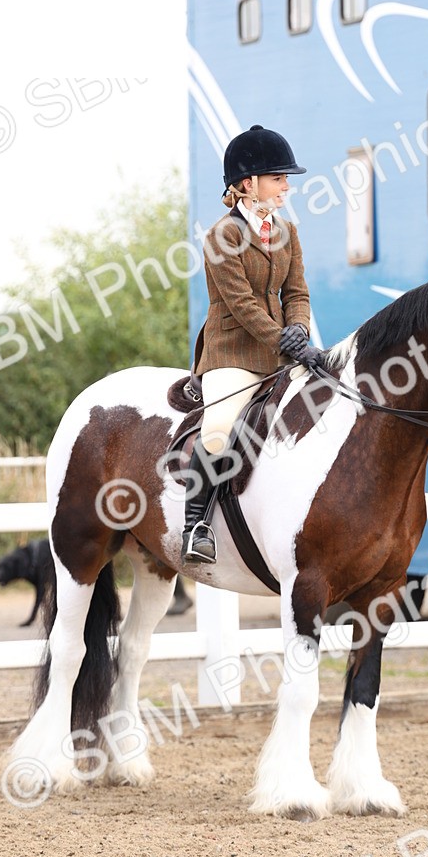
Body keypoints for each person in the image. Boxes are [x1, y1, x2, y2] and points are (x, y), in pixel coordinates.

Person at [182, 124, 323, 565]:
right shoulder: (221, 236)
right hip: (233, 351)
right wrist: (284, 337)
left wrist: (298, 328)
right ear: (248, 185)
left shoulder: (288, 232)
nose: (286, 186)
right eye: (279, 178)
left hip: (282, 348)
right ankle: (196, 526)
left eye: (285, 179)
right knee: (220, 426)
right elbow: (241, 304)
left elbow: (296, 292)